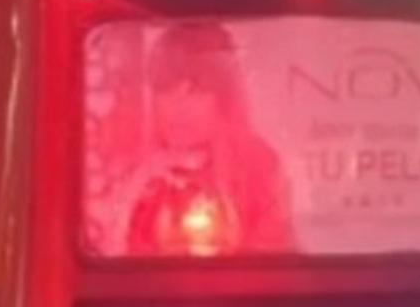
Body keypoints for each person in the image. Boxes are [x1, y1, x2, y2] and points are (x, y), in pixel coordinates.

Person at [121, 22, 295, 257]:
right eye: (167, 91)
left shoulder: (258, 165)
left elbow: (274, 262)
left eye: (196, 92)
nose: (179, 108)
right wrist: (133, 189)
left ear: (223, 98)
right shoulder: (135, 166)